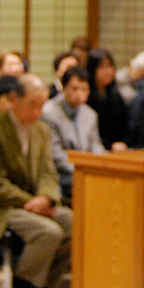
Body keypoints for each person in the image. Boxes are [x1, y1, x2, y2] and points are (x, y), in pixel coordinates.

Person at [0, 74, 71, 288]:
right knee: (49, 231)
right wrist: (29, 202)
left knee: (73, 224)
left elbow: (48, 172)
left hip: (35, 202)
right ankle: (25, 281)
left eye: (42, 105)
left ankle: (45, 281)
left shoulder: (42, 130)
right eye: (32, 104)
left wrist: (47, 198)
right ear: (14, 99)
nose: (38, 111)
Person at [40, 65, 103, 201]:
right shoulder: (48, 112)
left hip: (86, 171)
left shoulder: (90, 114)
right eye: (74, 88)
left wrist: (102, 164)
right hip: (62, 174)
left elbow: (95, 144)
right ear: (63, 88)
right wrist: (82, 169)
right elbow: (55, 153)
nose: (80, 93)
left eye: (84, 89)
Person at [85, 48, 129, 150]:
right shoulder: (87, 97)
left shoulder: (115, 95)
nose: (108, 71)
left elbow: (125, 124)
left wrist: (123, 142)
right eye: (102, 67)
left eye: (110, 66)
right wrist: (109, 145)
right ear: (92, 69)